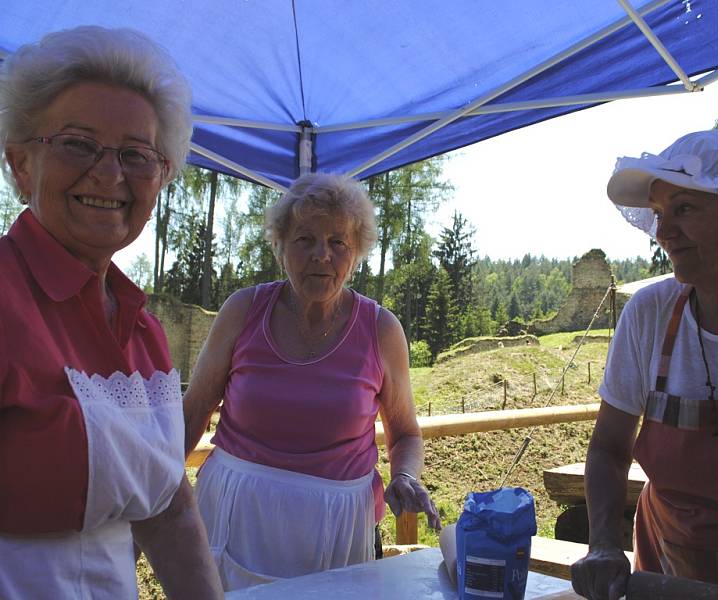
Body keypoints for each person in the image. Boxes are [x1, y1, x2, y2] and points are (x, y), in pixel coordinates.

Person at [0, 26, 223, 598]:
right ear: (21, 164)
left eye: (136, 155)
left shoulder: (143, 329)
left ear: (161, 178)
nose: (109, 173)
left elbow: (167, 506)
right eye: (77, 143)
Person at [570, 129, 718, 600]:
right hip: (665, 570)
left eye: (685, 209)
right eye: (659, 213)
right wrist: (603, 546)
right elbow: (610, 447)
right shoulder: (650, 313)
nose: (663, 232)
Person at [183, 172, 441, 590]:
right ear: (280, 246)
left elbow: (406, 433)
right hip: (235, 517)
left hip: (337, 529)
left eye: (338, 242)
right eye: (305, 239)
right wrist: (149, 501)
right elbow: (192, 413)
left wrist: (405, 477)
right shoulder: (242, 311)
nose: (322, 254)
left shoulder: (381, 330)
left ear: (356, 252)